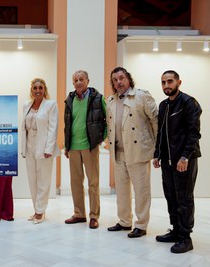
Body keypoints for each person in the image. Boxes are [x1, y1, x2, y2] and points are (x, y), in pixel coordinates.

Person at [153, 70, 202, 253]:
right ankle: (175, 230)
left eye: (170, 81)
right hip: (167, 160)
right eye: (163, 82)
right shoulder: (164, 105)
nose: (167, 85)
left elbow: (193, 134)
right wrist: (157, 154)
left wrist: (184, 157)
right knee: (171, 196)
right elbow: (161, 132)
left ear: (179, 82)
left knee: (184, 198)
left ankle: (185, 237)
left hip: (184, 160)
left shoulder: (189, 103)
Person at [106, 67, 158, 238]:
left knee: (141, 190)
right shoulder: (111, 101)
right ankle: (124, 221)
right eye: (115, 80)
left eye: (121, 78)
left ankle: (141, 225)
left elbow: (156, 121)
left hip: (138, 151)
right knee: (121, 190)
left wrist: (158, 148)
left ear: (128, 79)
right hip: (119, 152)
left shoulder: (142, 96)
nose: (118, 82)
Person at [63, 70, 107, 229]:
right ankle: (79, 213)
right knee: (75, 182)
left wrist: (101, 139)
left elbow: (107, 120)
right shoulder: (69, 100)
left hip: (90, 147)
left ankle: (94, 216)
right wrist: (66, 146)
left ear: (87, 81)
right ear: (73, 83)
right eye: (75, 80)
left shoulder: (98, 98)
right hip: (73, 147)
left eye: (81, 79)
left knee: (93, 182)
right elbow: (67, 125)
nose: (78, 82)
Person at [21, 78, 60, 224]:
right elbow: (23, 127)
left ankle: (40, 211)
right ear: (32, 90)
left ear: (45, 90)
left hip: (44, 146)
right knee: (32, 179)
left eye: (40, 88)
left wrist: (49, 148)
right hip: (29, 144)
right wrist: (23, 148)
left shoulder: (50, 105)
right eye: (35, 88)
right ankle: (36, 209)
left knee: (43, 179)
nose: (38, 90)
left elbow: (53, 128)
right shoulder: (26, 105)